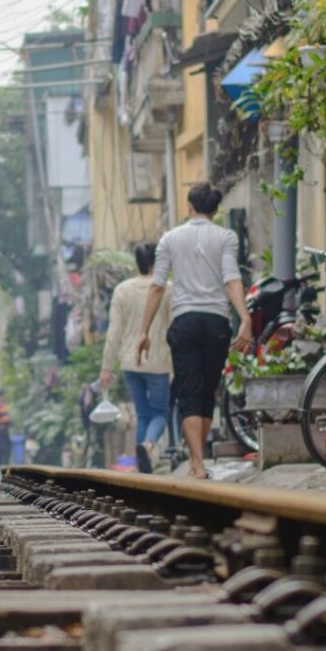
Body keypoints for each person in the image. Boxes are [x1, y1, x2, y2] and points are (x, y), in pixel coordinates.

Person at [136, 183, 247, 479]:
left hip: (185, 322)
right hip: (216, 324)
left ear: (189, 207)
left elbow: (158, 286)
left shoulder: (169, 239)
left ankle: (197, 464)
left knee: (189, 392)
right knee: (207, 390)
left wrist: (143, 331)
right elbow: (231, 279)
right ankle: (199, 461)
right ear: (215, 210)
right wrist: (244, 318)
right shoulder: (226, 237)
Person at [101, 241, 172, 473]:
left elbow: (114, 332)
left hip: (130, 362)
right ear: (156, 262)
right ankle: (148, 445)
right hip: (158, 360)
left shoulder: (122, 290)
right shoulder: (167, 288)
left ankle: (144, 468)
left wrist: (106, 367)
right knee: (161, 413)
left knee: (143, 414)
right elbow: (173, 326)